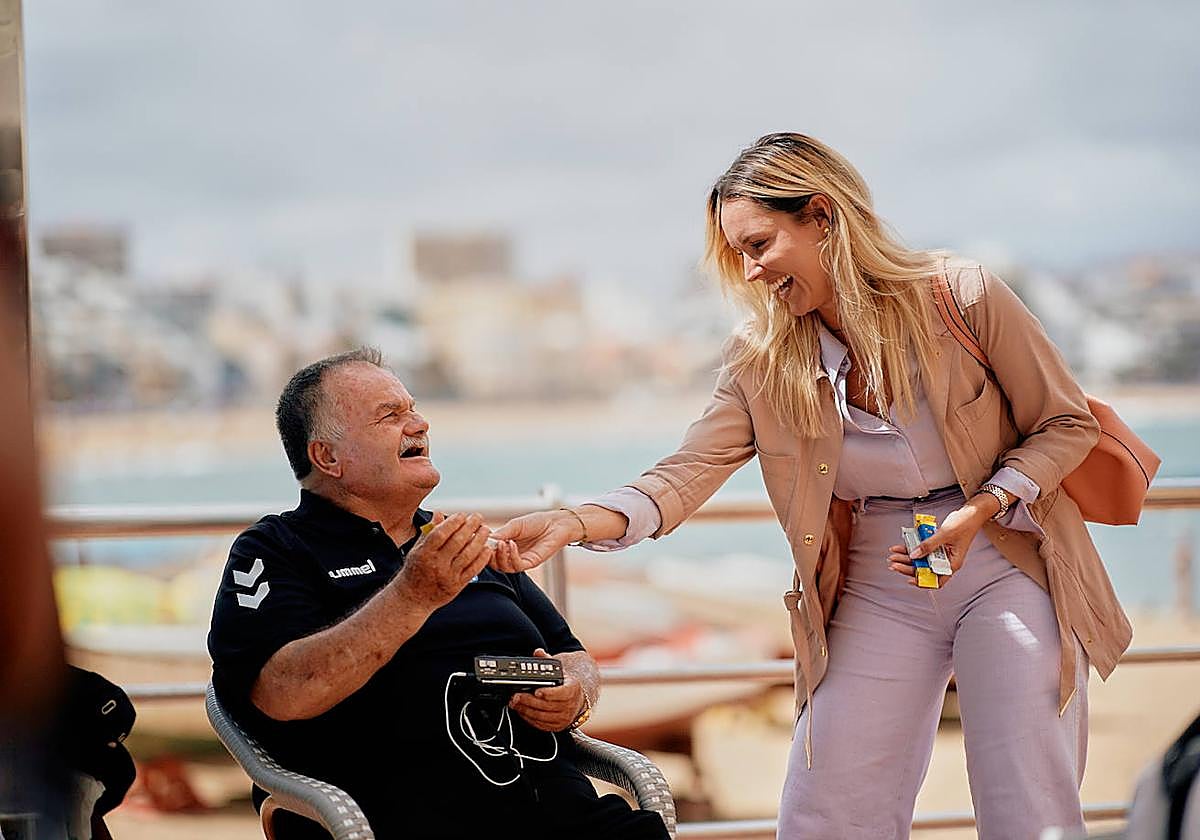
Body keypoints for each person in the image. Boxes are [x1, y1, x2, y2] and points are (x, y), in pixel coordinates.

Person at [493, 133, 1133, 839]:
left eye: (760, 244)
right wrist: (578, 523)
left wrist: (982, 507)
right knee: (825, 804)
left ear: (823, 218)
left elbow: (1066, 422)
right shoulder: (762, 358)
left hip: (1004, 559)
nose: (752, 270)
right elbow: (685, 473)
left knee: (1027, 801)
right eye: (738, 253)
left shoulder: (964, 297)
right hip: (876, 584)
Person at [207, 348, 669, 840]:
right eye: (391, 416)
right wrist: (411, 595)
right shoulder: (277, 550)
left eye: (413, 408)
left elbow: (571, 654)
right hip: (406, 818)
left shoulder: (460, 542)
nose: (419, 424)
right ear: (328, 457)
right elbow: (282, 693)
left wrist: (574, 694)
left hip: (556, 811)